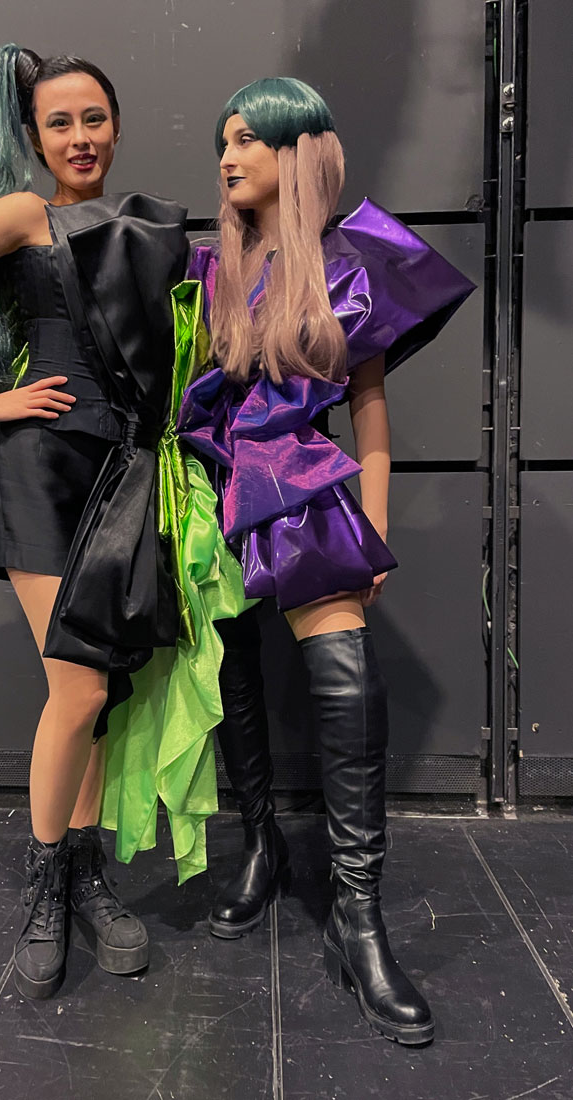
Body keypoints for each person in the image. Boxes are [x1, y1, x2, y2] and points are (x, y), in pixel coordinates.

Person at [0, 44, 188, 1000]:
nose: (80, 136)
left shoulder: (138, 225)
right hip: (43, 467)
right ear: (35, 137)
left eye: (94, 118)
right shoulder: (25, 215)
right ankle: (49, 883)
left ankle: (86, 876)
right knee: (79, 689)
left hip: (121, 473)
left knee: (103, 692)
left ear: (117, 125)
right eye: (60, 122)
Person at [177, 77, 475, 1045]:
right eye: (224, 142)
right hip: (212, 491)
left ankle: (358, 914)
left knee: (348, 680)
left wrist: (374, 529)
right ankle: (259, 844)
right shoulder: (207, 270)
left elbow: (371, 412)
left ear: (297, 150)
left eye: (247, 139)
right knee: (233, 671)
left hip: (303, 486)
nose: (229, 157)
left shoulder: (355, 264)